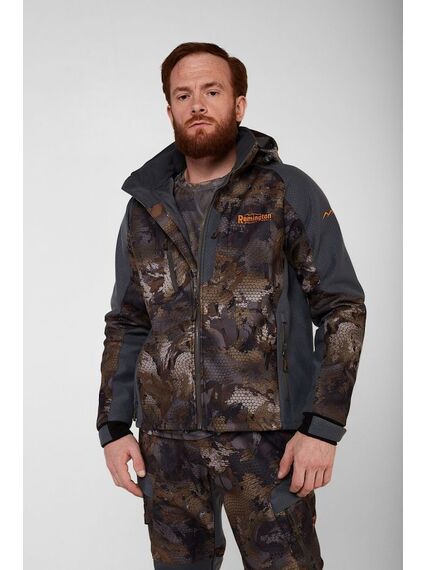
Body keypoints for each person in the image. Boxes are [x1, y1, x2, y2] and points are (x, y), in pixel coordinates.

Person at [96, 42, 367, 570]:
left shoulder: (286, 191)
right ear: (170, 110)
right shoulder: (145, 208)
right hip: (166, 444)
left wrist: (322, 426)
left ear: (238, 105)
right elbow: (127, 322)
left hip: (269, 442)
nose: (197, 104)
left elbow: (342, 308)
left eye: (212, 91)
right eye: (183, 95)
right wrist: (114, 426)